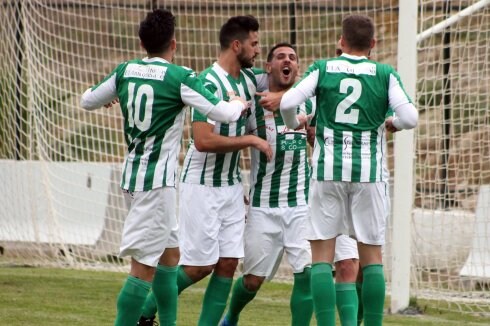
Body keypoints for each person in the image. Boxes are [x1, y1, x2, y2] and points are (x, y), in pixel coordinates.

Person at [80, 8, 249, 326]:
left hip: (135, 177)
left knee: (170, 258)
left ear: (142, 42)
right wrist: (238, 103)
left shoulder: (125, 71)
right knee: (143, 268)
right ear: (173, 42)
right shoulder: (180, 76)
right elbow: (225, 114)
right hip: (155, 185)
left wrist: (109, 98)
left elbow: (86, 100)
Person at [268, 15, 418, 326]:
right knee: (371, 257)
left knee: (322, 255)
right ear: (373, 44)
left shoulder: (323, 68)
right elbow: (411, 117)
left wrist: (289, 124)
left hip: (327, 172)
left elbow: (288, 103)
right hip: (369, 175)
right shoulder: (385, 73)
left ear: (341, 41)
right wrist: (393, 123)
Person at [138, 15, 274, 326]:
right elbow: (203, 140)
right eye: (254, 44)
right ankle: (143, 314)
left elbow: (283, 82)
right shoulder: (207, 83)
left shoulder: (249, 80)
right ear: (236, 45)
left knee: (228, 264)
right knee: (199, 267)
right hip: (201, 186)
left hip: (230, 187)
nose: (258, 50)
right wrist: (250, 138)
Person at [221, 43, 314, 326]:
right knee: (252, 281)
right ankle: (231, 317)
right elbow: (232, 141)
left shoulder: (309, 102)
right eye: (280, 57)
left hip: (301, 205)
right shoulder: (252, 108)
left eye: (293, 58)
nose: (287, 61)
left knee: (306, 274)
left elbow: (318, 133)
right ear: (269, 67)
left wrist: (312, 130)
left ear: (297, 69)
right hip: (263, 207)